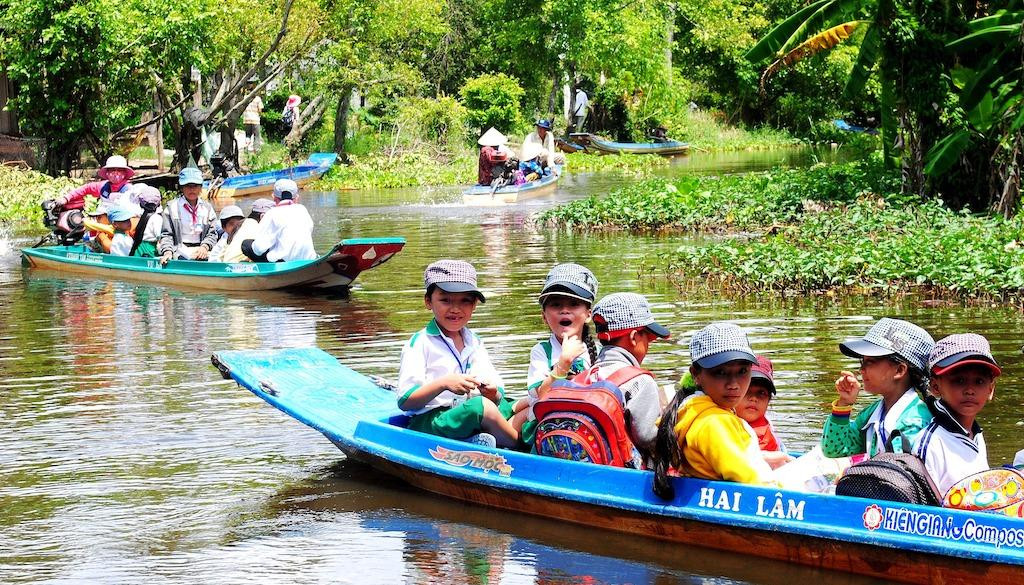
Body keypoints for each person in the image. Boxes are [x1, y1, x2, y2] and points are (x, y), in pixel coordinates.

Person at [397, 260, 519, 448]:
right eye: (445, 300)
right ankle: (521, 448)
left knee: (520, 404)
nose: (455, 309)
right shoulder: (421, 343)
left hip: (465, 411)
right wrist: (444, 383)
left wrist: (493, 392)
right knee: (481, 407)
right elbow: (406, 401)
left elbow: (497, 392)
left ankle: (487, 438)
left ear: (475, 305)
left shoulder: (474, 341)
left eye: (465, 301)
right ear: (428, 301)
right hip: (432, 420)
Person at [653, 323, 776, 498]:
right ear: (696, 374)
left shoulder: (691, 409)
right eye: (720, 372)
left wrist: (767, 458)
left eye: (742, 371)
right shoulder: (714, 422)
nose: (733, 385)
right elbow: (750, 480)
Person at [510, 263, 600, 444]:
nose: (564, 310)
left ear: (588, 314)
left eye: (574, 304)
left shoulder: (596, 351)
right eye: (556, 304)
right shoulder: (542, 351)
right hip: (547, 422)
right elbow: (542, 394)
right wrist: (563, 364)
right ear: (544, 316)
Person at [821, 318, 935, 457]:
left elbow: (899, 471)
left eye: (870, 362)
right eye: (863, 362)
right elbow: (836, 450)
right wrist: (844, 404)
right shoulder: (873, 413)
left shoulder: (915, 421)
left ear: (899, 370)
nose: (862, 370)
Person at [913, 333, 1000, 495]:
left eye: (979, 381)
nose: (969, 390)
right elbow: (926, 510)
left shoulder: (975, 435)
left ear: (990, 389)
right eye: (959, 381)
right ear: (935, 387)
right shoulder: (932, 444)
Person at [589, 292, 670, 464]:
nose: (648, 345)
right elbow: (648, 438)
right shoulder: (640, 381)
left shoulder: (586, 375)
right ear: (634, 337)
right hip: (626, 475)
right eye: (647, 337)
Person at [737, 355, 793, 469]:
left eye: (761, 393)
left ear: (769, 400)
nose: (753, 398)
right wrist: (779, 456)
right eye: (747, 390)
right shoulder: (723, 424)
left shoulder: (767, 426)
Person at [241, 179, 316, 263]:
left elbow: (258, 249)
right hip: (309, 259)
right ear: (296, 198)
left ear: (274, 197)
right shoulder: (303, 209)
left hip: (283, 263)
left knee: (246, 245)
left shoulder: (272, 213)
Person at [158, 167, 220, 265]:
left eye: (195, 186)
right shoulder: (171, 208)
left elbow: (212, 234)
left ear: (200, 187)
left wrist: (204, 247)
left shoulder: (207, 208)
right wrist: (167, 252)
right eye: (187, 185)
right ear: (182, 187)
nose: (192, 189)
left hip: (202, 249)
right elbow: (166, 235)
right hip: (179, 249)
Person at [55, 155, 134, 211]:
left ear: (125, 173)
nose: (115, 173)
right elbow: (85, 188)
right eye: (112, 170)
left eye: (119, 170)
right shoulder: (103, 186)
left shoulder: (130, 190)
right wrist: (66, 198)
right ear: (107, 173)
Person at [221, 198, 273, 263]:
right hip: (238, 267)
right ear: (262, 217)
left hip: (226, 264)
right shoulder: (257, 227)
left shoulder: (243, 224)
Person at [127, 184, 162, 257]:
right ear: (158, 204)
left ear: (141, 204)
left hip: (139, 248)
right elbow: (160, 236)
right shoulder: (157, 218)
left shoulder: (140, 216)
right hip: (149, 249)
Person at [242, 88, 265, 152]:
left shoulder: (245, 98)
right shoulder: (257, 99)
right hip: (255, 120)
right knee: (256, 136)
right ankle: (256, 149)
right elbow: (260, 109)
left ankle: (246, 147)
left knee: (248, 135)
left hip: (246, 119)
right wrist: (259, 114)